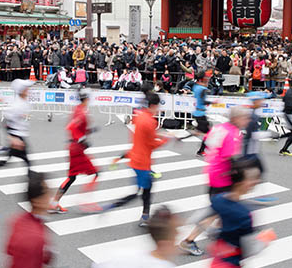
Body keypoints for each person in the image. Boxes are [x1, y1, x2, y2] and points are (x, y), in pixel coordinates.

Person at [202, 160, 274, 268]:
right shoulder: (244, 214)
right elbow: (249, 250)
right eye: (253, 178)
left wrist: (217, 233)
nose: (256, 182)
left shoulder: (219, 199)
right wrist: (265, 239)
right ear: (241, 182)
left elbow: (200, 220)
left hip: (218, 262)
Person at [179, 106, 250, 257]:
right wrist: (241, 179)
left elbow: (207, 140)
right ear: (236, 119)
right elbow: (230, 159)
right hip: (223, 178)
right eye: (245, 118)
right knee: (217, 211)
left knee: (220, 212)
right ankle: (189, 240)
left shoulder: (219, 128)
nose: (246, 121)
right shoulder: (232, 134)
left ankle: (220, 238)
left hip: (212, 172)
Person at [101, 92, 169, 226]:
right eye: (157, 107)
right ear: (153, 105)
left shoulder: (139, 116)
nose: (158, 110)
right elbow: (151, 144)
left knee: (143, 189)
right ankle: (140, 216)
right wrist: (165, 140)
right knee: (142, 191)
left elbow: (144, 137)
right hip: (142, 162)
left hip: (135, 158)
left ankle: (142, 215)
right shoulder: (150, 121)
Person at [49, 90, 99, 214]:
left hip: (73, 147)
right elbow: (71, 127)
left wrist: (89, 131)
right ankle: (85, 202)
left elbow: (77, 127)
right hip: (77, 149)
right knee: (96, 173)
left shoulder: (77, 108)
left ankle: (54, 203)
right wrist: (82, 139)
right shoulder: (82, 112)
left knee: (71, 177)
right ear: (86, 99)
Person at [0, 79, 34, 172]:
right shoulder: (17, 105)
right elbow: (5, 120)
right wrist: (12, 138)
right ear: (21, 91)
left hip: (20, 135)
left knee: (6, 161)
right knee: (27, 162)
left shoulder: (24, 102)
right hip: (17, 136)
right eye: (26, 89)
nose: (28, 90)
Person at [278, 75, 292, 156]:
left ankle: (277, 138)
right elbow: (288, 105)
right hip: (288, 114)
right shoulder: (290, 92)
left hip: (289, 113)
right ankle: (284, 149)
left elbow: (284, 99)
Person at [190, 71, 211, 156]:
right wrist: (213, 102)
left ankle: (203, 149)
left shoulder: (196, 86)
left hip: (198, 112)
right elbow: (203, 101)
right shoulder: (202, 89)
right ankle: (201, 150)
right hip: (200, 114)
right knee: (208, 132)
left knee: (207, 131)